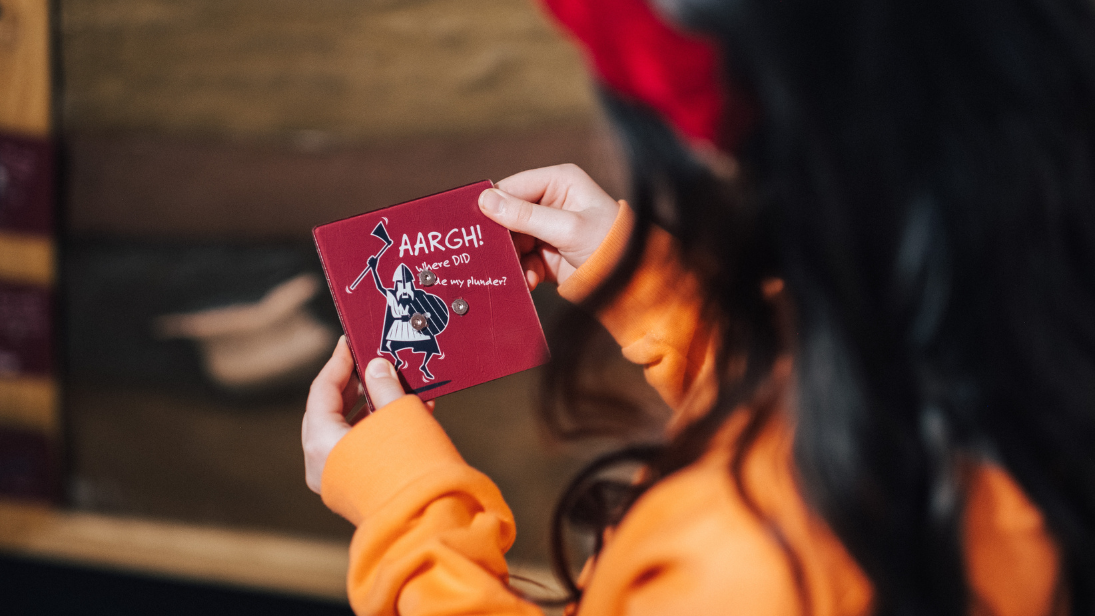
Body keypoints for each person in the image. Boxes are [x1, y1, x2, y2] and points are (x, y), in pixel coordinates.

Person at [303, 0, 1095, 614]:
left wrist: (409, 517)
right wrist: (662, 295)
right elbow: (846, 411)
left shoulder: (742, 563)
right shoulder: (1031, 329)